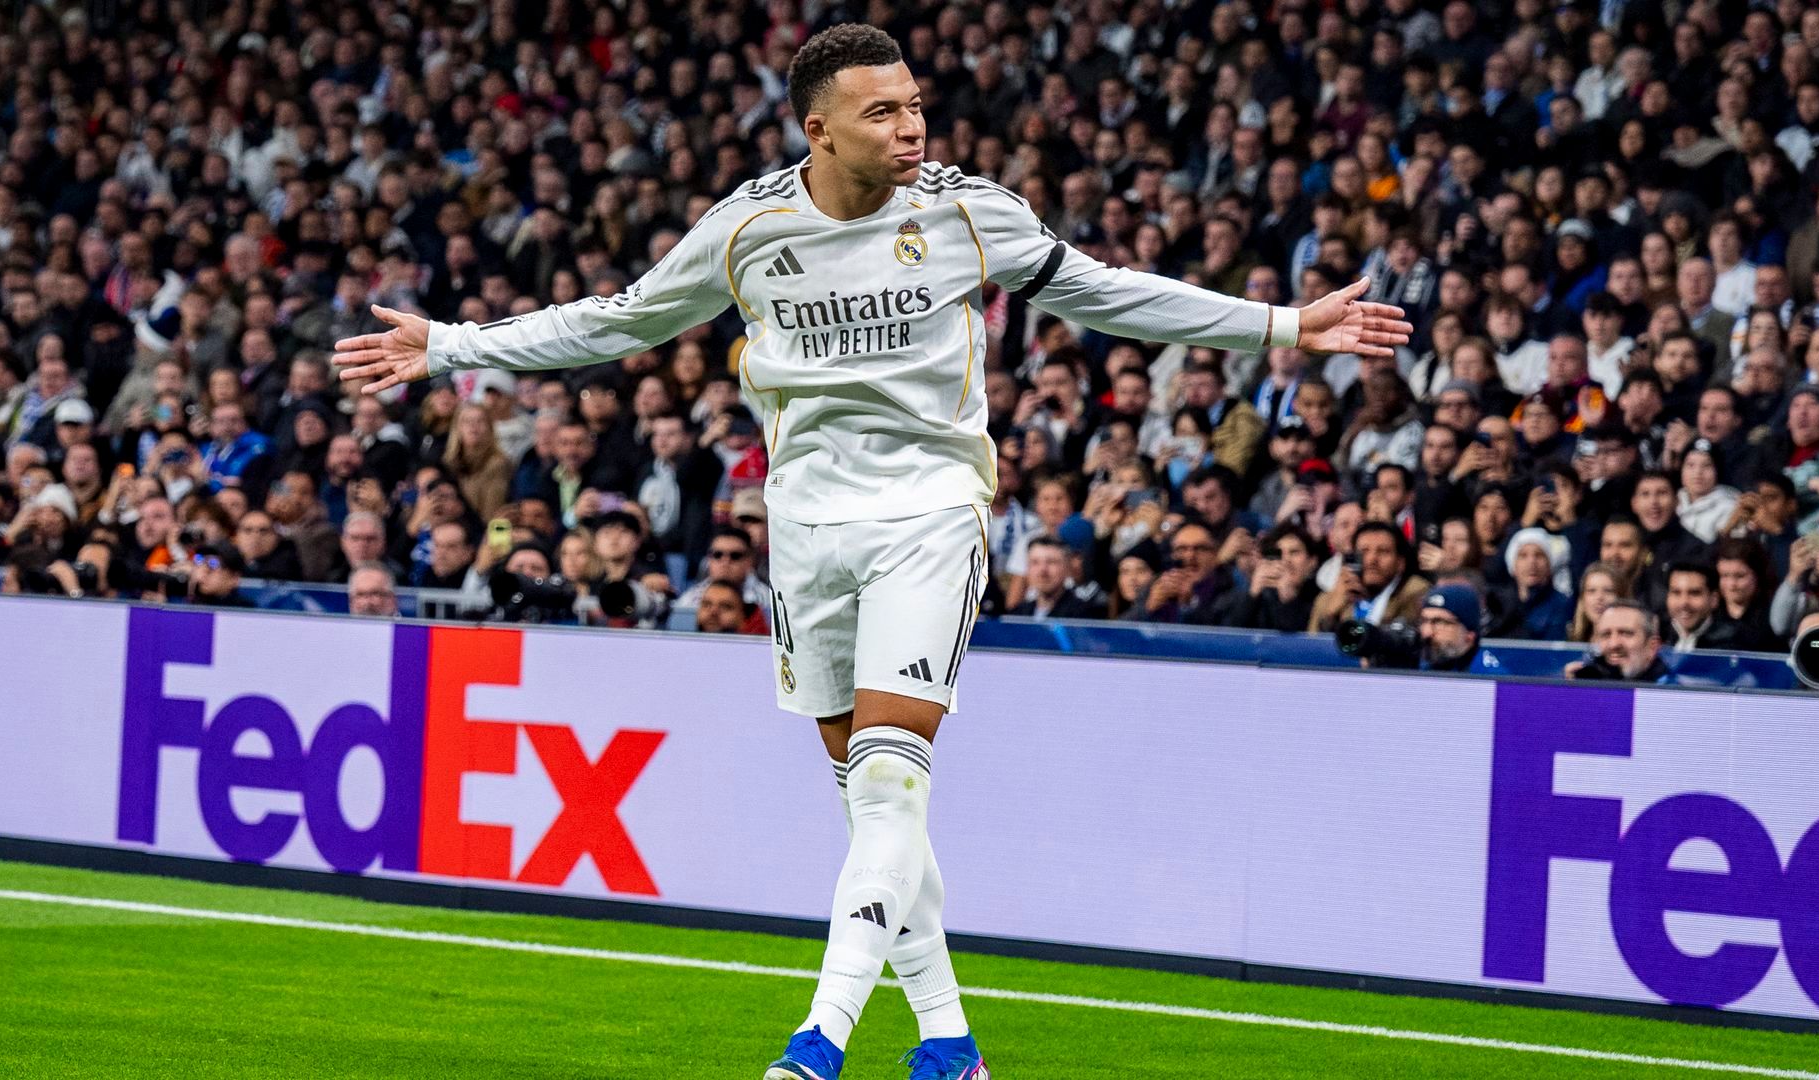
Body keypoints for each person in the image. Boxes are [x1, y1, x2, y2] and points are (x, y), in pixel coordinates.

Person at [330, 26, 1411, 1080]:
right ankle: (949, 1045)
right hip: (804, 532)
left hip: (930, 515)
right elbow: (621, 320)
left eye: (915, 107)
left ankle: (819, 1042)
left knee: (891, 787)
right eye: (882, 111)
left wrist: (1282, 325)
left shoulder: (966, 211)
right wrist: (454, 346)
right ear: (819, 130)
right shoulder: (748, 229)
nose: (911, 128)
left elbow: (1105, 288)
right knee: (874, 808)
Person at [1567, 601, 1677, 683]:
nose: (1614, 644)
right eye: (1606, 634)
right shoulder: (1588, 680)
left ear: (1652, 647)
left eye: (1626, 633)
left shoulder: (1675, 693)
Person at [1416, 581, 1497, 672]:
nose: (1427, 633)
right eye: (1424, 621)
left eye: (1439, 622)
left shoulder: (1490, 677)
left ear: (1469, 634)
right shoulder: (1419, 667)